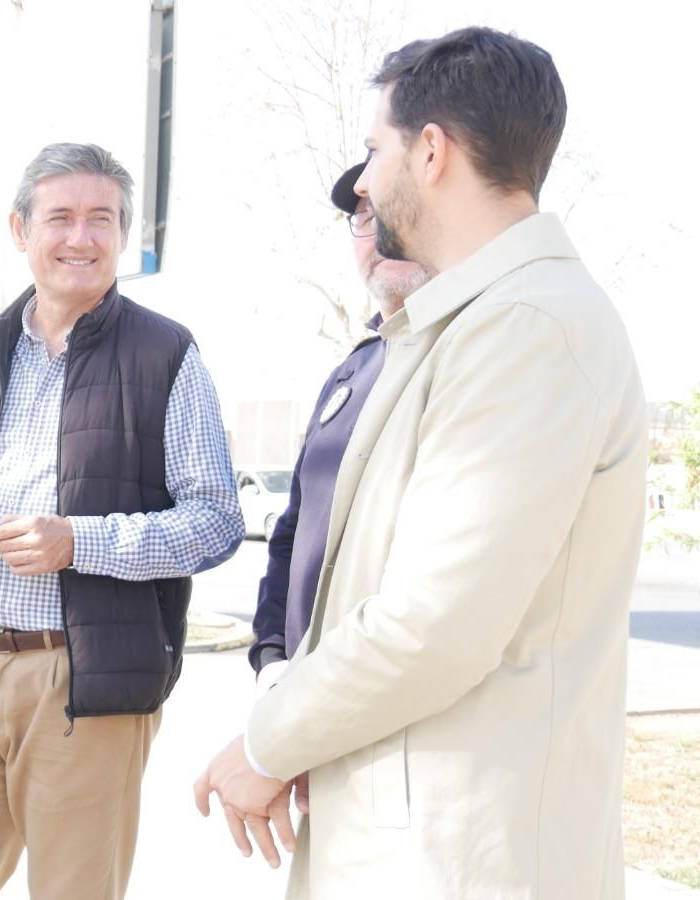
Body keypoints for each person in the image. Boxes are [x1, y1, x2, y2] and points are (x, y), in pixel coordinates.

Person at [194, 27, 648, 899]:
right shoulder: (465, 327)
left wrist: (267, 745)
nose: (363, 181)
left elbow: (434, 623)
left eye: (375, 150)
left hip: (461, 854)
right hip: (413, 835)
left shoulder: (529, 331)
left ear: (431, 151)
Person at [0, 142, 244, 900]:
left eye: (101, 219)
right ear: (19, 230)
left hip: (85, 681)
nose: (79, 237)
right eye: (60, 217)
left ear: (124, 236)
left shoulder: (167, 354)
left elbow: (216, 520)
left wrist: (80, 541)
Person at [247, 164, 430, 693]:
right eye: (367, 216)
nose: (384, 233)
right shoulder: (353, 371)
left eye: (397, 210)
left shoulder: (463, 359)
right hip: (300, 699)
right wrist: (273, 657)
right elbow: (294, 529)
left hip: (377, 701)